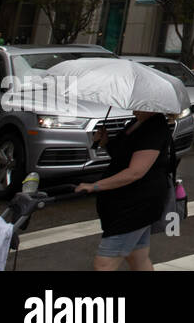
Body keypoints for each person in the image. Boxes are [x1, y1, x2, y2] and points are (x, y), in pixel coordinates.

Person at [74, 110, 174, 271]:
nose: (134, 109)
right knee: (137, 258)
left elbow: (135, 172)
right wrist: (105, 142)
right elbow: (122, 156)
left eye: (139, 105)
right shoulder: (135, 123)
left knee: (104, 264)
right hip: (125, 202)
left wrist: (95, 186)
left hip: (137, 205)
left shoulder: (154, 128)